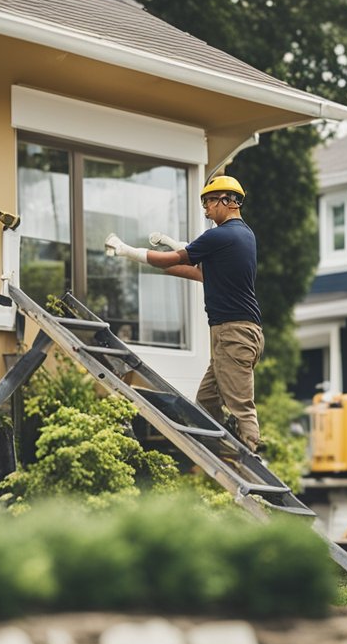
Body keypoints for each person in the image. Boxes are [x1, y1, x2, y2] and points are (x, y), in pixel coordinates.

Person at [104, 175, 264, 452]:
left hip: (234, 333)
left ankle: (251, 452)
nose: (205, 209)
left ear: (227, 200)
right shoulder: (242, 236)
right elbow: (200, 271)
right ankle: (226, 450)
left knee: (240, 405)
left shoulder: (222, 234)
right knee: (206, 402)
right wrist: (169, 246)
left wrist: (126, 251)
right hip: (235, 334)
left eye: (209, 202)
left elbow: (178, 258)